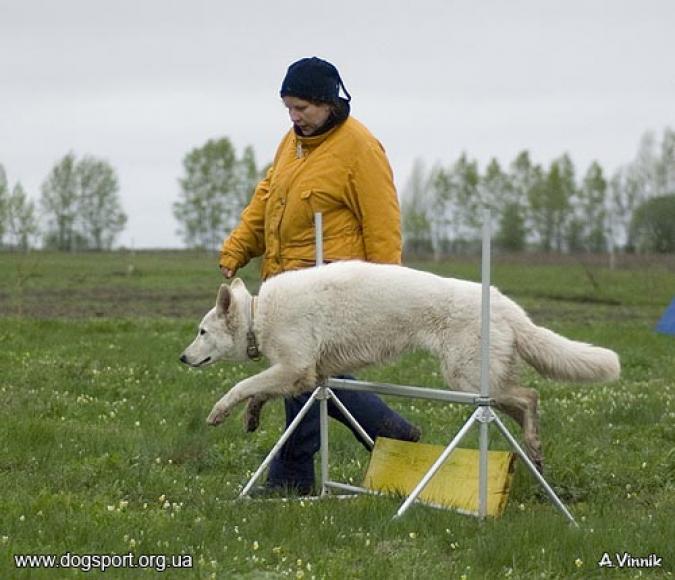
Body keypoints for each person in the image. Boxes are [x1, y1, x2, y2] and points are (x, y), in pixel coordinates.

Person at [219, 56, 420, 494]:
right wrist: (238, 248)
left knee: (303, 375)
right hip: (288, 287)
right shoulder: (290, 145)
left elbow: (383, 223)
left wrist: (388, 291)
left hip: (337, 292)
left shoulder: (361, 148)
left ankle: (293, 476)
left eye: (302, 108)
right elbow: (265, 202)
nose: (295, 117)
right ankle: (389, 440)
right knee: (310, 377)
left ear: (329, 103)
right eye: (288, 107)